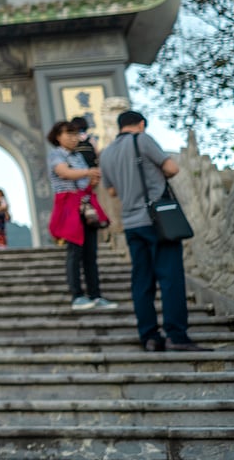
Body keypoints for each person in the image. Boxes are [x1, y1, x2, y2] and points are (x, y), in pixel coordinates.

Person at [98, 111, 209, 352]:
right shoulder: (142, 139)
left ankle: (149, 336)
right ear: (141, 124)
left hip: (131, 223)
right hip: (157, 221)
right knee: (170, 278)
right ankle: (176, 335)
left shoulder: (106, 154)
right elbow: (172, 168)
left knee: (142, 281)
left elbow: (112, 192)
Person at [46, 120, 118, 313]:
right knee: (74, 253)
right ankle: (77, 295)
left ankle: (95, 294)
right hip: (69, 207)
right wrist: (88, 171)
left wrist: (93, 179)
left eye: (75, 134)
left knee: (90, 254)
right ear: (57, 137)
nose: (72, 138)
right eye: (67, 134)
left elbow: (85, 182)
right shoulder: (56, 155)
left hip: (85, 206)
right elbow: (64, 172)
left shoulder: (78, 156)